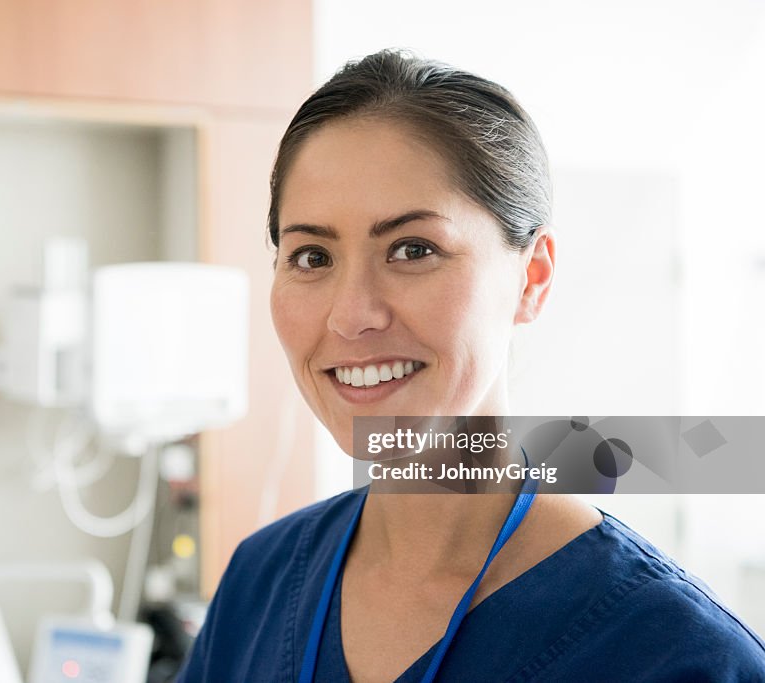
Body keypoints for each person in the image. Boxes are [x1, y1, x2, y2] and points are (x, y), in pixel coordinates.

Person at [176, 50, 765, 682]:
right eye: (312, 257)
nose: (351, 316)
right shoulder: (258, 584)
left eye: (412, 249)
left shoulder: (673, 655)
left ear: (531, 277)